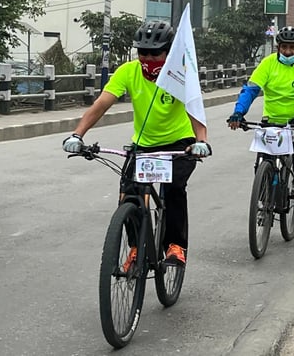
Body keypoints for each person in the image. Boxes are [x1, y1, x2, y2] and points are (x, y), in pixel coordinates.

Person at [62, 21, 212, 267]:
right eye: (143, 52)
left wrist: (201, 141)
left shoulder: (181, 74)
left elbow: (195, 109)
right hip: (143, 144)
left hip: (180, 143)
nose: (148, 58)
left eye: (155, 53)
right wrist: (78, 134)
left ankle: (175, 246)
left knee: (174, 189)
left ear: (169, 52)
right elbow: (102, 103)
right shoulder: (128, 71)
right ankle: (136, 248)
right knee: (129, 195)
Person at [226, 25, 294, 199]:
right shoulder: (268, 63)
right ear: (278, 47)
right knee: (264, 157)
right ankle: (263, 188)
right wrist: (238, 113)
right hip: (272, 116)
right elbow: (251, 89)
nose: (288, 51)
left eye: (292, 47)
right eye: (284, 47)